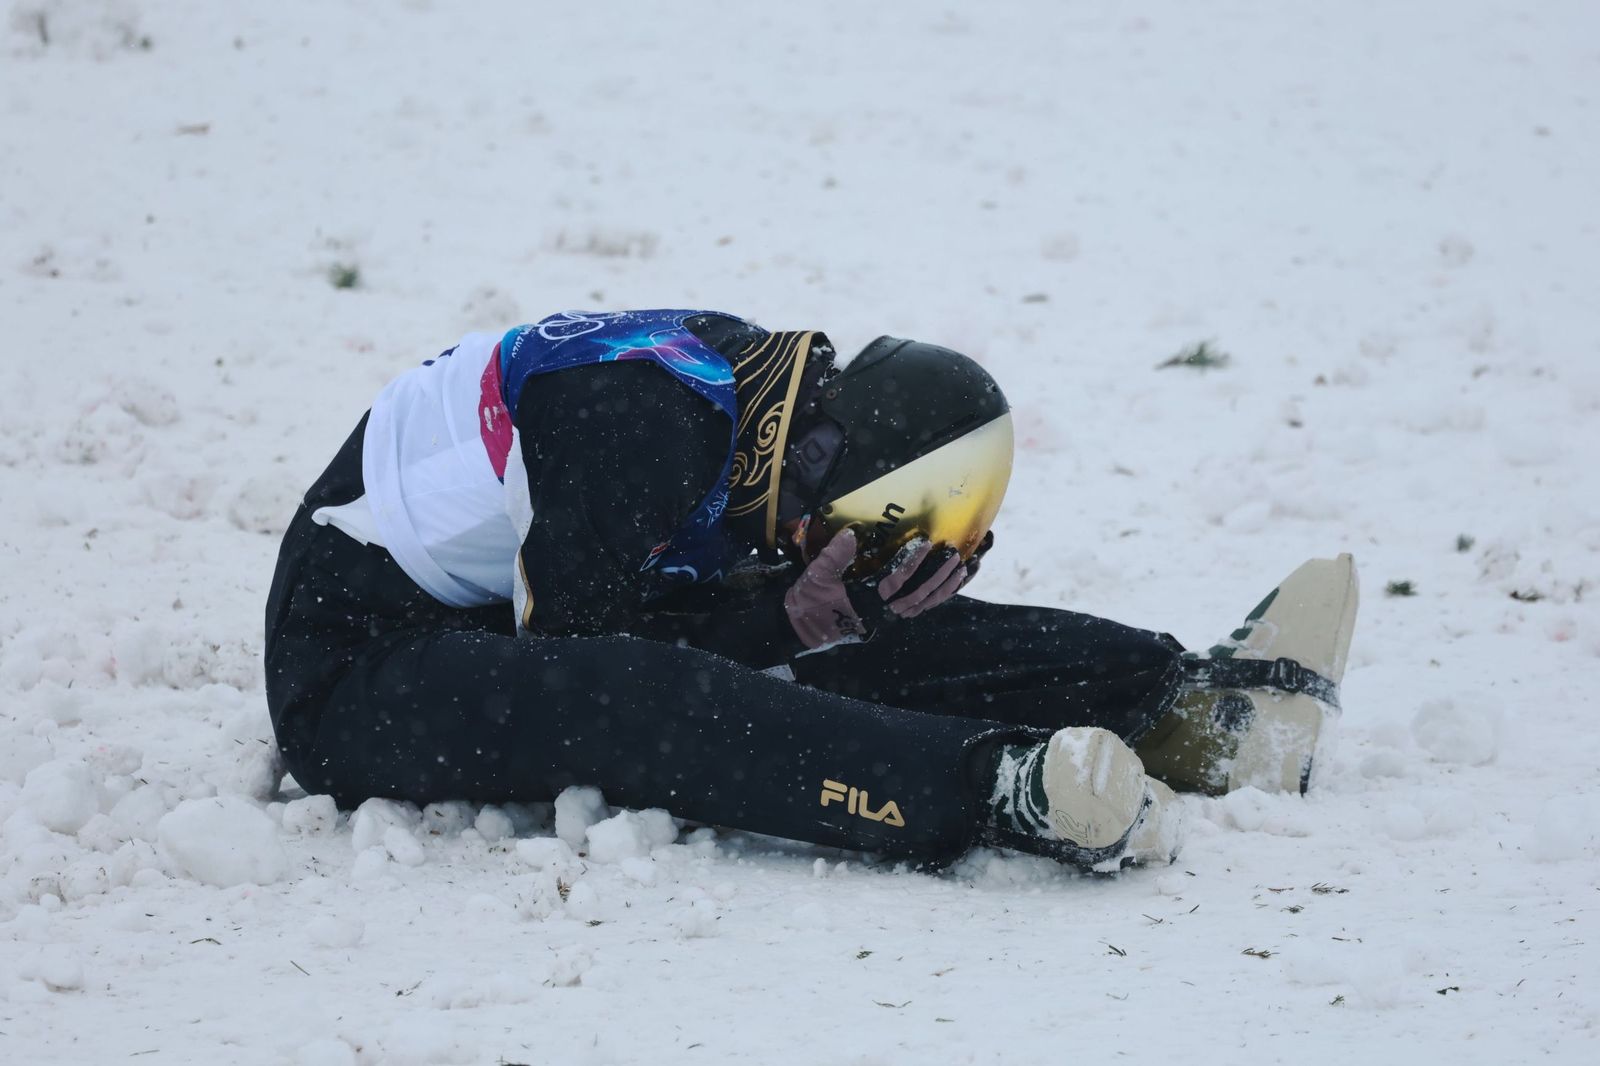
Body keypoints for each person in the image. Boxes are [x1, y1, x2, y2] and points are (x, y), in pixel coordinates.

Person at [264, 309, 1358, 872]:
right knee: (663, 687)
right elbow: (596, 663)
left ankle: (1191, 709)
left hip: (498, 611)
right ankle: (999, 790)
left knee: (839, 628)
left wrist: (813, 611)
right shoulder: (637, 427)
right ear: (831, 462)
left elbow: (690, 613)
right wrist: (780, 616)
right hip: (355, 674)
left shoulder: (752, 398)